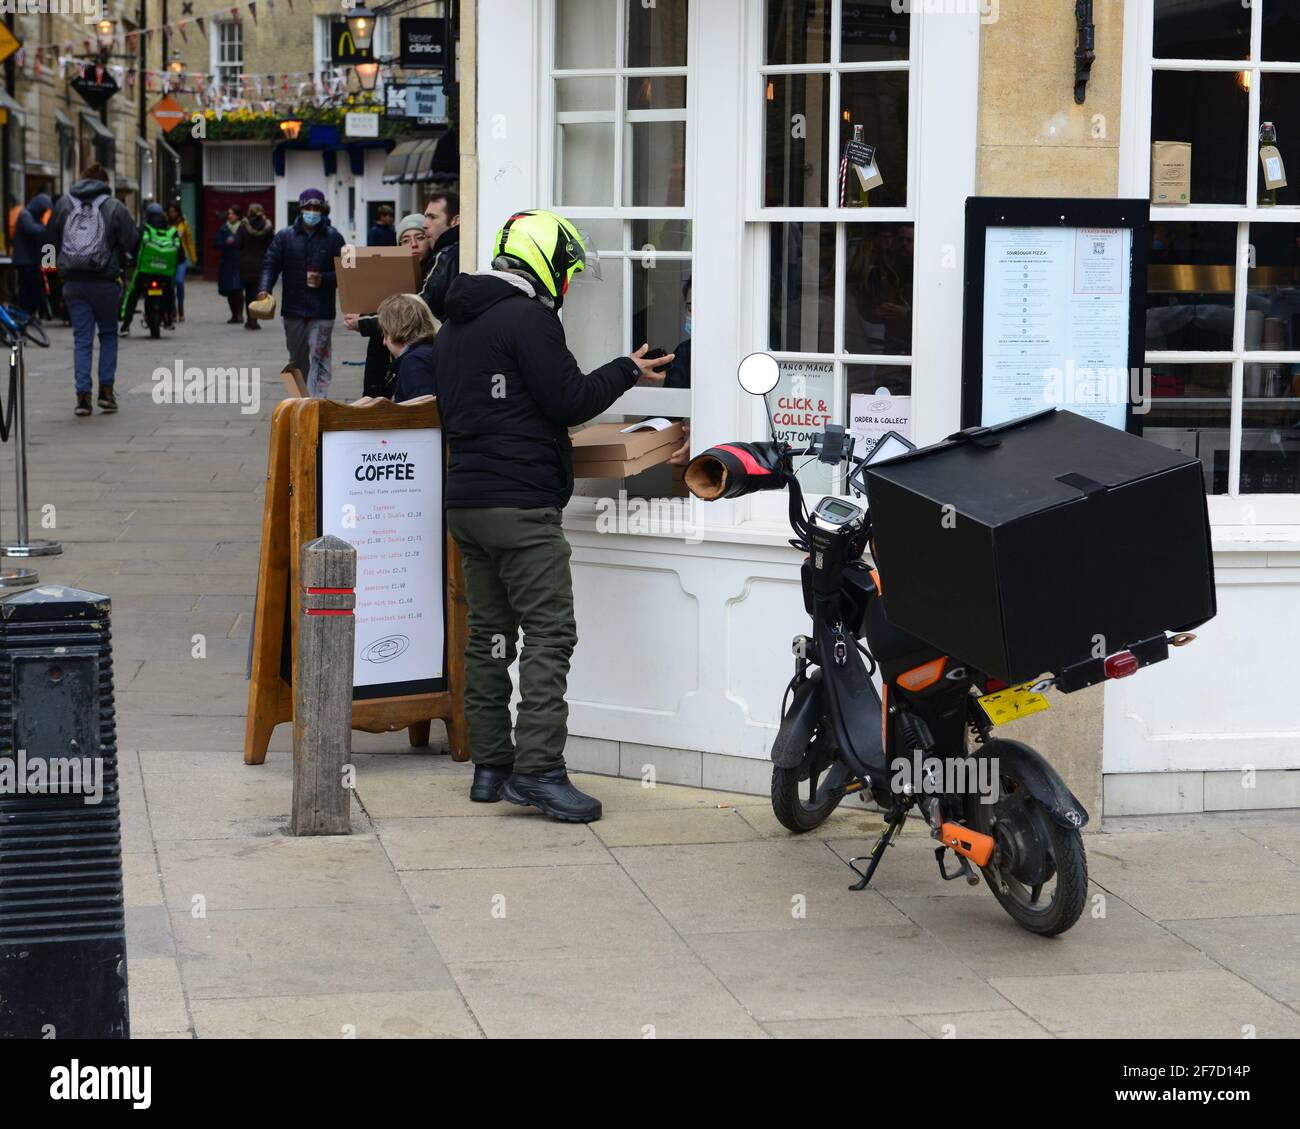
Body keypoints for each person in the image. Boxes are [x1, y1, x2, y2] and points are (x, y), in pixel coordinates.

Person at [431, 209, 670, 822]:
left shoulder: (458, 323)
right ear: (547, 263)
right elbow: (569, 401)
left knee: (489, 635)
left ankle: (491, 767)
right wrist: (627, 369)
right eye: (566, 268)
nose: (566, 282)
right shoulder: (528, 319)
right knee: (548, 633)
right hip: (520, 505)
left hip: (467, 503)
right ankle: (539, 770)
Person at [47, 162, 138, 417]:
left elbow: (48, 242)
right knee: (108, 335)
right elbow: (131, 242)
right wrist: (125, 258)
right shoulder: (115, 206)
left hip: (73, 283)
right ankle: (106, 393)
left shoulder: (64, 204)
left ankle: (83, 397)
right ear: (104, 181)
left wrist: (51, 275)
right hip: (106, 282)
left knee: (82, 339)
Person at [256, 188, 347, 397]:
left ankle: (317, 404)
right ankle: (300, 399)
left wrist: (324, 279)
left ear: (323, 210)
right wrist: (264, 289)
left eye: (317, 207)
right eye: (308, 207)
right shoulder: (284, 237)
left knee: (320, 357)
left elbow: (347, 272)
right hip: (293, 310)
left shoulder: (334, 238)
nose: (312, 211)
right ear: (301, 208)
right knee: (297, 358)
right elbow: (270, 264)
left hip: (322, 311)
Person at [344, 213, 432, 397]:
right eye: (405, 240)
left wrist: (362, 323)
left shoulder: (433, 272)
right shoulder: (395, 272)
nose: (413, 245)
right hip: (386, 352)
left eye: (420, 238)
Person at [120, 202, 182, 335]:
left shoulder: (144, 228)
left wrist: (130, 259)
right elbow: (180, 252)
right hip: (165, 272)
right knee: (169, 292)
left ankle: (126, 325)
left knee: (133, 294)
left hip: (145, 271)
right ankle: (168, 319)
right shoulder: (171, 230)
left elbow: (134, 245)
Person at [377, 293, 438, 402]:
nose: (384, 342)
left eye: (385, 333)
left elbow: (423, 410)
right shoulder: (430, 351)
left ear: (394, 329)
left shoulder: (414, 362)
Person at [418, 190, 460, 321]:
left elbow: (422, 307)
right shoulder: (458, 248)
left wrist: (365, 322)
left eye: (432, 217)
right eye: (425, 217)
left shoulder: (445, 255)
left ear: (455, 221)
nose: (424, 224)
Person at [234, 202, 273, 330]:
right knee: (257, 292)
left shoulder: (243, 226)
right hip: (261, 263)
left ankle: (250, 319)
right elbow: (272, 245)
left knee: (248, 292)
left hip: (246, 263)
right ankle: (254, 319)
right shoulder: (267, 226)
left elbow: (238, 244)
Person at [12, 192, 51, 317]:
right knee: (28, 289)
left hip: (29, 260)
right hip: (25, 261)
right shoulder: (25, 215)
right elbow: (31, 229)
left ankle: (27, 313)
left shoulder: (32, 216)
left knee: (31, 288)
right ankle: (25, 313)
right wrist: (46, 229)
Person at [166, 202, 197, 322]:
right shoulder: (165, 223)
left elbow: (189, 241)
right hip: (169, 258)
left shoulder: (183, 223)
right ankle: (172, 310)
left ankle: (181, 308)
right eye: (170, 212)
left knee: (179, 282)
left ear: (178, 212)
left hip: (180, 259)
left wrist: (193, 257)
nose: (172, 214)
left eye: (174, 211)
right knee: (170, 284)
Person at [214, 205, 245, 323]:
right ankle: (233, 315)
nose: (230, 215)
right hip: (227, 262)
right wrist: (226, 243)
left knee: (238, 288)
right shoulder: (224, 228)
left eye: (233, 213)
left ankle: (240, 315)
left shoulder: (243, 227)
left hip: (239, 261)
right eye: (229, 213)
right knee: (229, 290)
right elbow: (216, 243)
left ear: (238, 216)